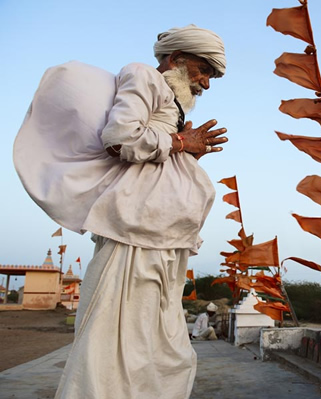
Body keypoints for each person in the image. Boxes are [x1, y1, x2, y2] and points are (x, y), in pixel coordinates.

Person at [14, 25, 227, 399]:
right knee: (114, 342)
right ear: (175, 59)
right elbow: (121, 139)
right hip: (134, 233)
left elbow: (154, 153)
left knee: (159, 344)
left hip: (163, 235)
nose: (205, 84)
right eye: (204, 70)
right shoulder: (144, 75)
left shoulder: (169, 102)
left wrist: (185, 149)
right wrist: (180, 141)